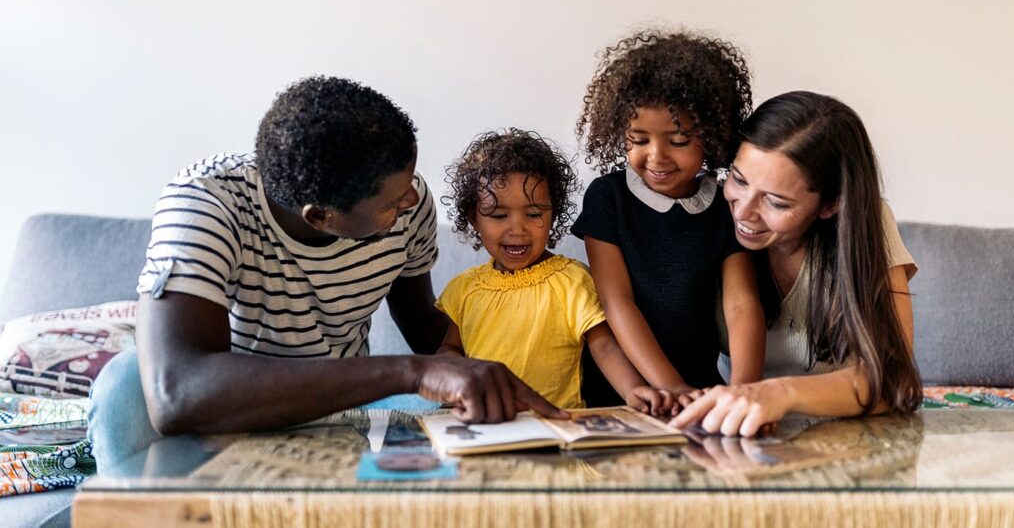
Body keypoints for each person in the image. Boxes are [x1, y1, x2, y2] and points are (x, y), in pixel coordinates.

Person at [89, 77, 562, 468]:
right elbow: (180, 393)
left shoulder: (406, 201)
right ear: (321, 217)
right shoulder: (205, 203)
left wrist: (492, 365)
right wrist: (412, 371)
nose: (413, 202)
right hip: (228, 408)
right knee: (122, 386)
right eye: (392, 204)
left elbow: (419, 317)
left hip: (347, 404)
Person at [670, 91, 922, 437]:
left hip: (847, 441)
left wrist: (777, 393)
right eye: (739, 179)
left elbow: (894, 380)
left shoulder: (867, 223)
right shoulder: (706, 216)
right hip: (742, 437)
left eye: (776, 202)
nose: (742, 212)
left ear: (830, 205)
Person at [571, 28, 765, 405]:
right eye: (639, 140)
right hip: (625, 391)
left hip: (700, 388)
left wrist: (744, 391)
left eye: (678, 141)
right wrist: (670, 387)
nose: (657, 157)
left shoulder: (725, 203)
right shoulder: (608, 198)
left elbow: (741, 304)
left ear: (710, 136)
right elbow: (616, 303)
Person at [436, 129, 675, 414]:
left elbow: (605, 348)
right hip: (487, 424)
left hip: (557, 425)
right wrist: (451, 374)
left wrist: (633, 390)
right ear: (474, 219)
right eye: (499, 215)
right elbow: (451, 348)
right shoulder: (465, 288)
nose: (517, 229)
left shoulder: (571, 280)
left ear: (554, 213)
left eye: (534, 214)